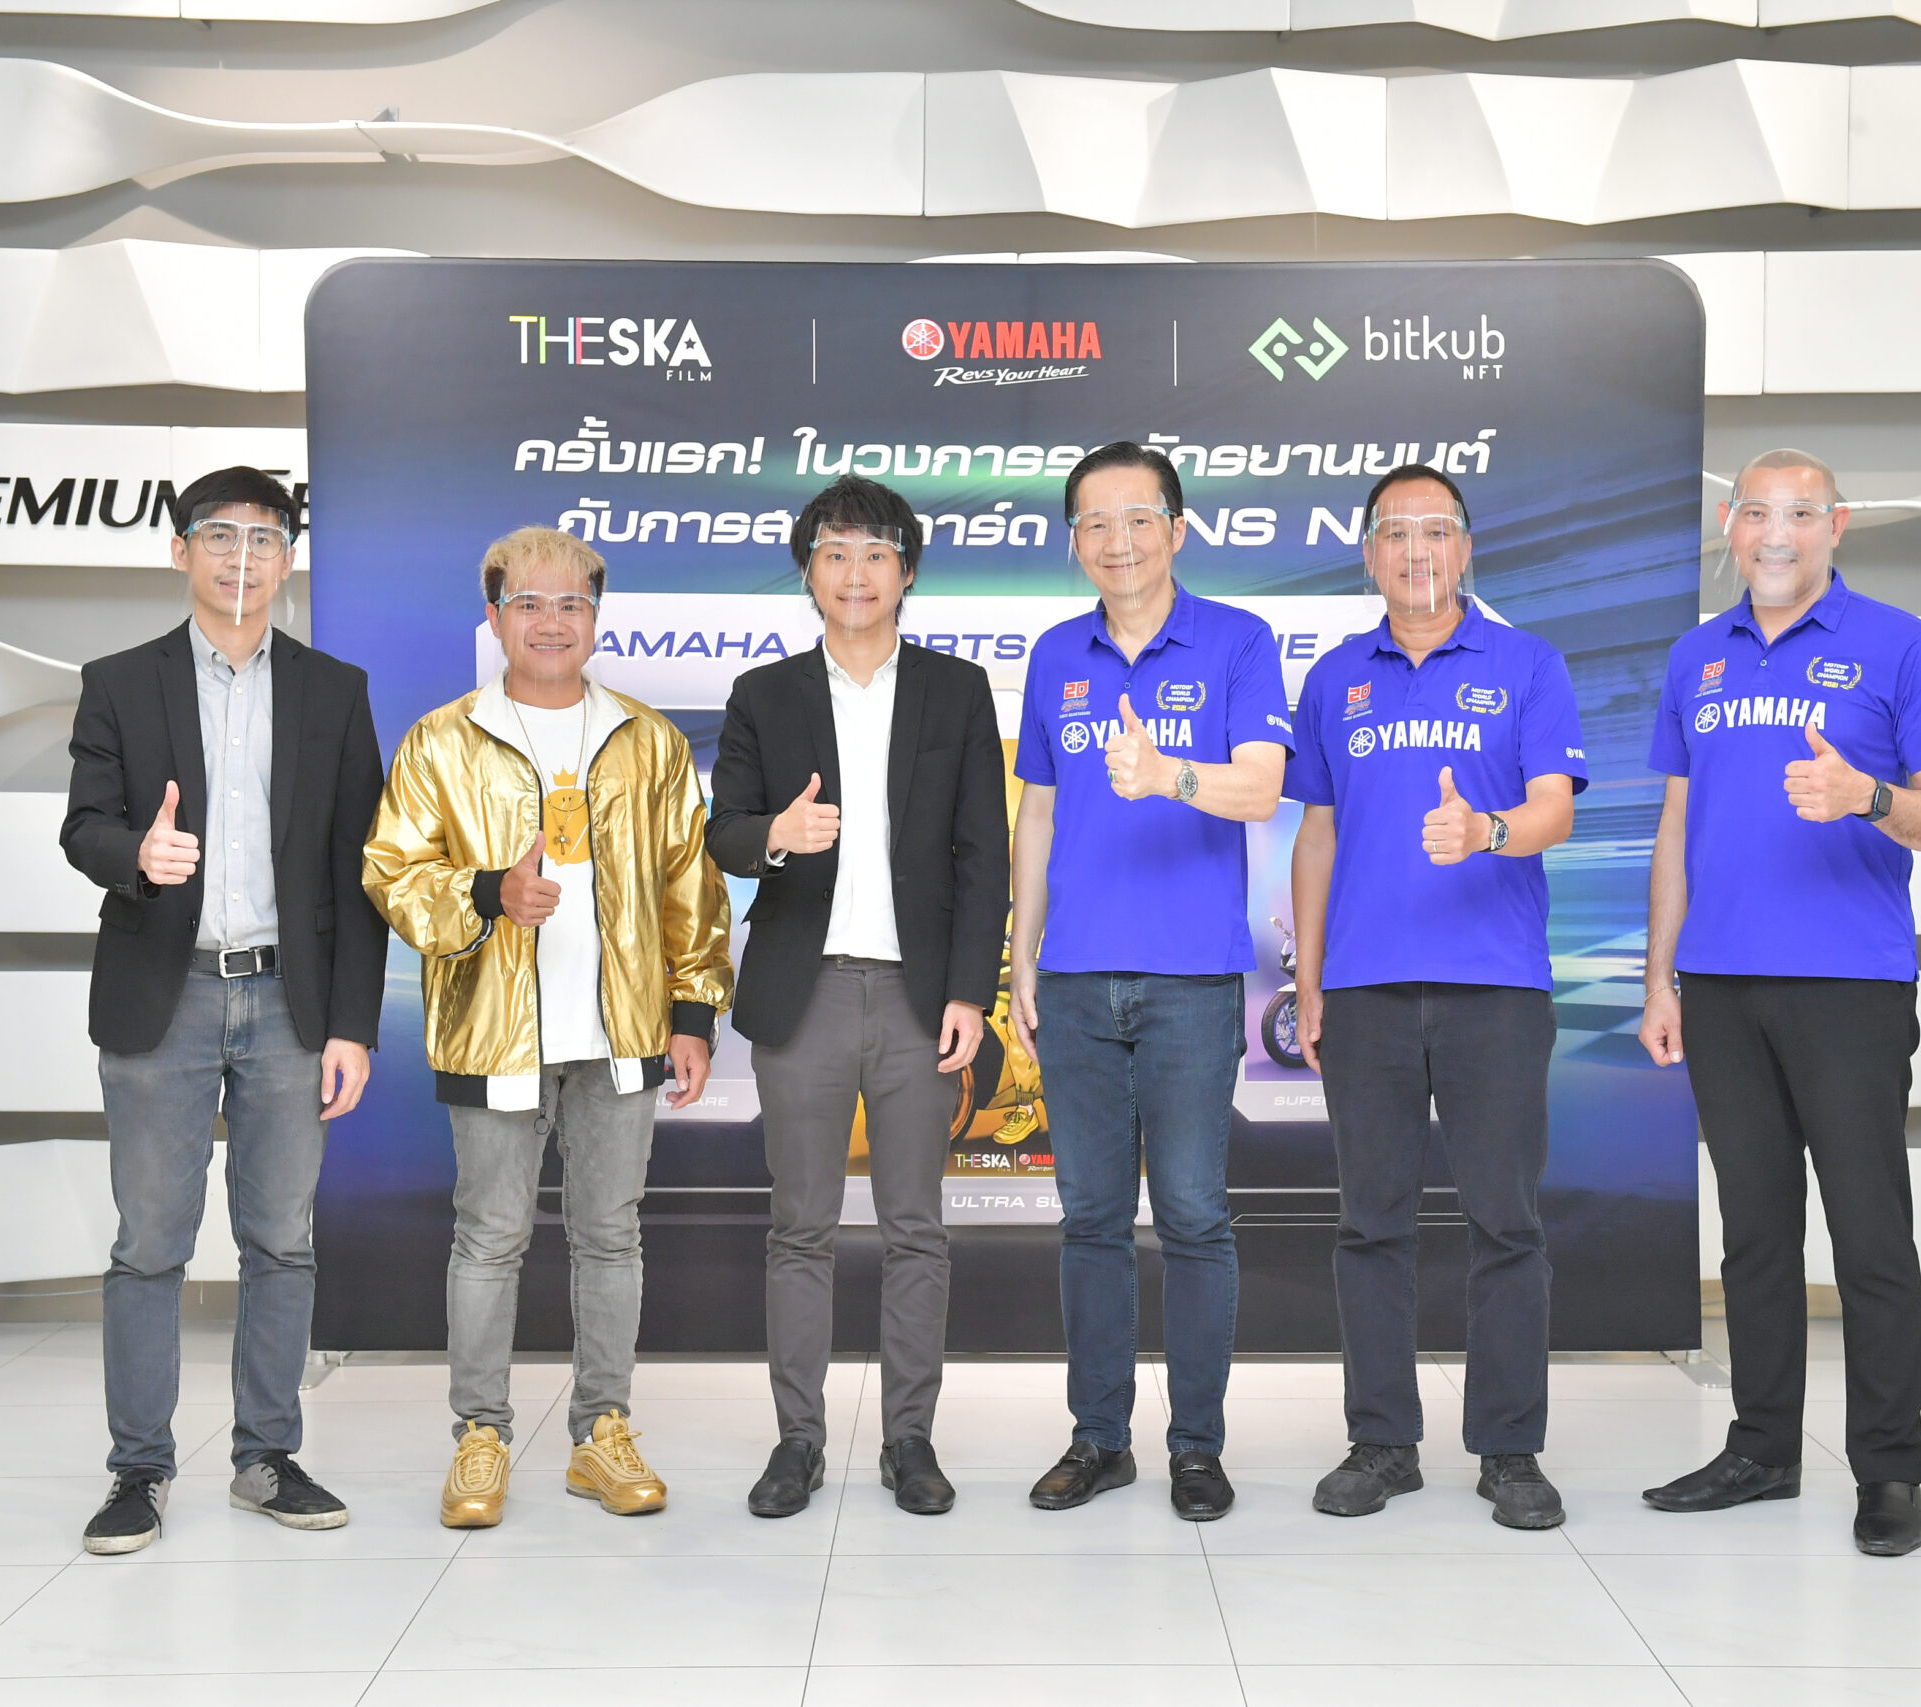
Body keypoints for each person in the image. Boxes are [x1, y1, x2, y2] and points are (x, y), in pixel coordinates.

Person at [1637, 448, 1921, 1557]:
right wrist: (1660, 975)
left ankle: (1889, 1471)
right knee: (1753, 1234)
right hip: (1721, 984)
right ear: (1729, 528)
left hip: (1850, 984)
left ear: (1837, 527)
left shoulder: (1900, 645)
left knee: (1869, 1233)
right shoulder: (1696, 656)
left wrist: (1867, 795)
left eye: (1799, 513)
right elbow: (1676, 827)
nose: (1774, 533)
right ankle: (1762, 1449)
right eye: (1754, 512)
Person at [363, 525, 732, 1528]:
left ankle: (601, 1432)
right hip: (492, 1033)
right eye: (529, 603)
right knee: (489, 1239)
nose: (552, 622)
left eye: (572, 603)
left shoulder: (647, 739)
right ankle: (479, 1437)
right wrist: (488, 894)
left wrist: (692, 1012)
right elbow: (392, 873)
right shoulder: (443, 739)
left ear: (596, 618)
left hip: (623, 1035)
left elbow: (690, 886)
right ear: (494, 617)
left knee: (611, 1238)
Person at [61, 466, 389, 1556]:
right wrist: (137, 855)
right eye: (218, 535)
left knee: (281, 1241)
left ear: (287, 559)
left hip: (292, 1000)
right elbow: (83, 826)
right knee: (150, 1243)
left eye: (263, 537)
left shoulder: (334, 690)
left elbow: (358, 871)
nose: (241, 556)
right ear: (180, 550)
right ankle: (138, 1470)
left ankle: (267, 1457)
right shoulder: (120, 682)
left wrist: (352, 1024)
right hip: (168, 992)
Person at [1284, 463, 1583, 1529]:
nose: (1416, 552)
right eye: (1395, 534)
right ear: (1369, 555)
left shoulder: (1527, 664)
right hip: (1364, 989)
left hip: (1495, 986)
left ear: (1465, 548)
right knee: (1372, 1223)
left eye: (1436, 531)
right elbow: (1315, 833)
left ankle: (1509, 1449)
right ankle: (1382, 1441)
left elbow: (1555, 809)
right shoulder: (1335, 679)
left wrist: (1485, 830)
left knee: (1506, 1222)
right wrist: (1308, 980)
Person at [708, 476, 1010, 1519]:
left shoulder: (956, 690)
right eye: (835, 553)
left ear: (906, 571)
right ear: (809, 572)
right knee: (799, 1227)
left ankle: (909, 1440)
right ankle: (797, 1440)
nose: (855, 573)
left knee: (916, 1227)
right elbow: (723, 832)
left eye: (876, 553)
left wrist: (970, 992)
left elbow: (983, 854)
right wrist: (775, 837)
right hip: (807, 997)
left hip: (923, 1001)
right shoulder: (764, 695)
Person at [1011, 441, 1291, 1522]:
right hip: (1076, 977)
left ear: (1176, 529)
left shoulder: (1237, 641)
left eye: (1138, 519)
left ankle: (1196, 1448)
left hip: (1191, 979)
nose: (1117, 541)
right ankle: (1098, 1439)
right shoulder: (1055, 654)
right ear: (1074, 541)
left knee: (1192, 1216)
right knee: (1088, 1218)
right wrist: (1023, 954)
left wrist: (1168, 774)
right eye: (1095, 522)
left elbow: (1260, 789)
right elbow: (1037, 812)